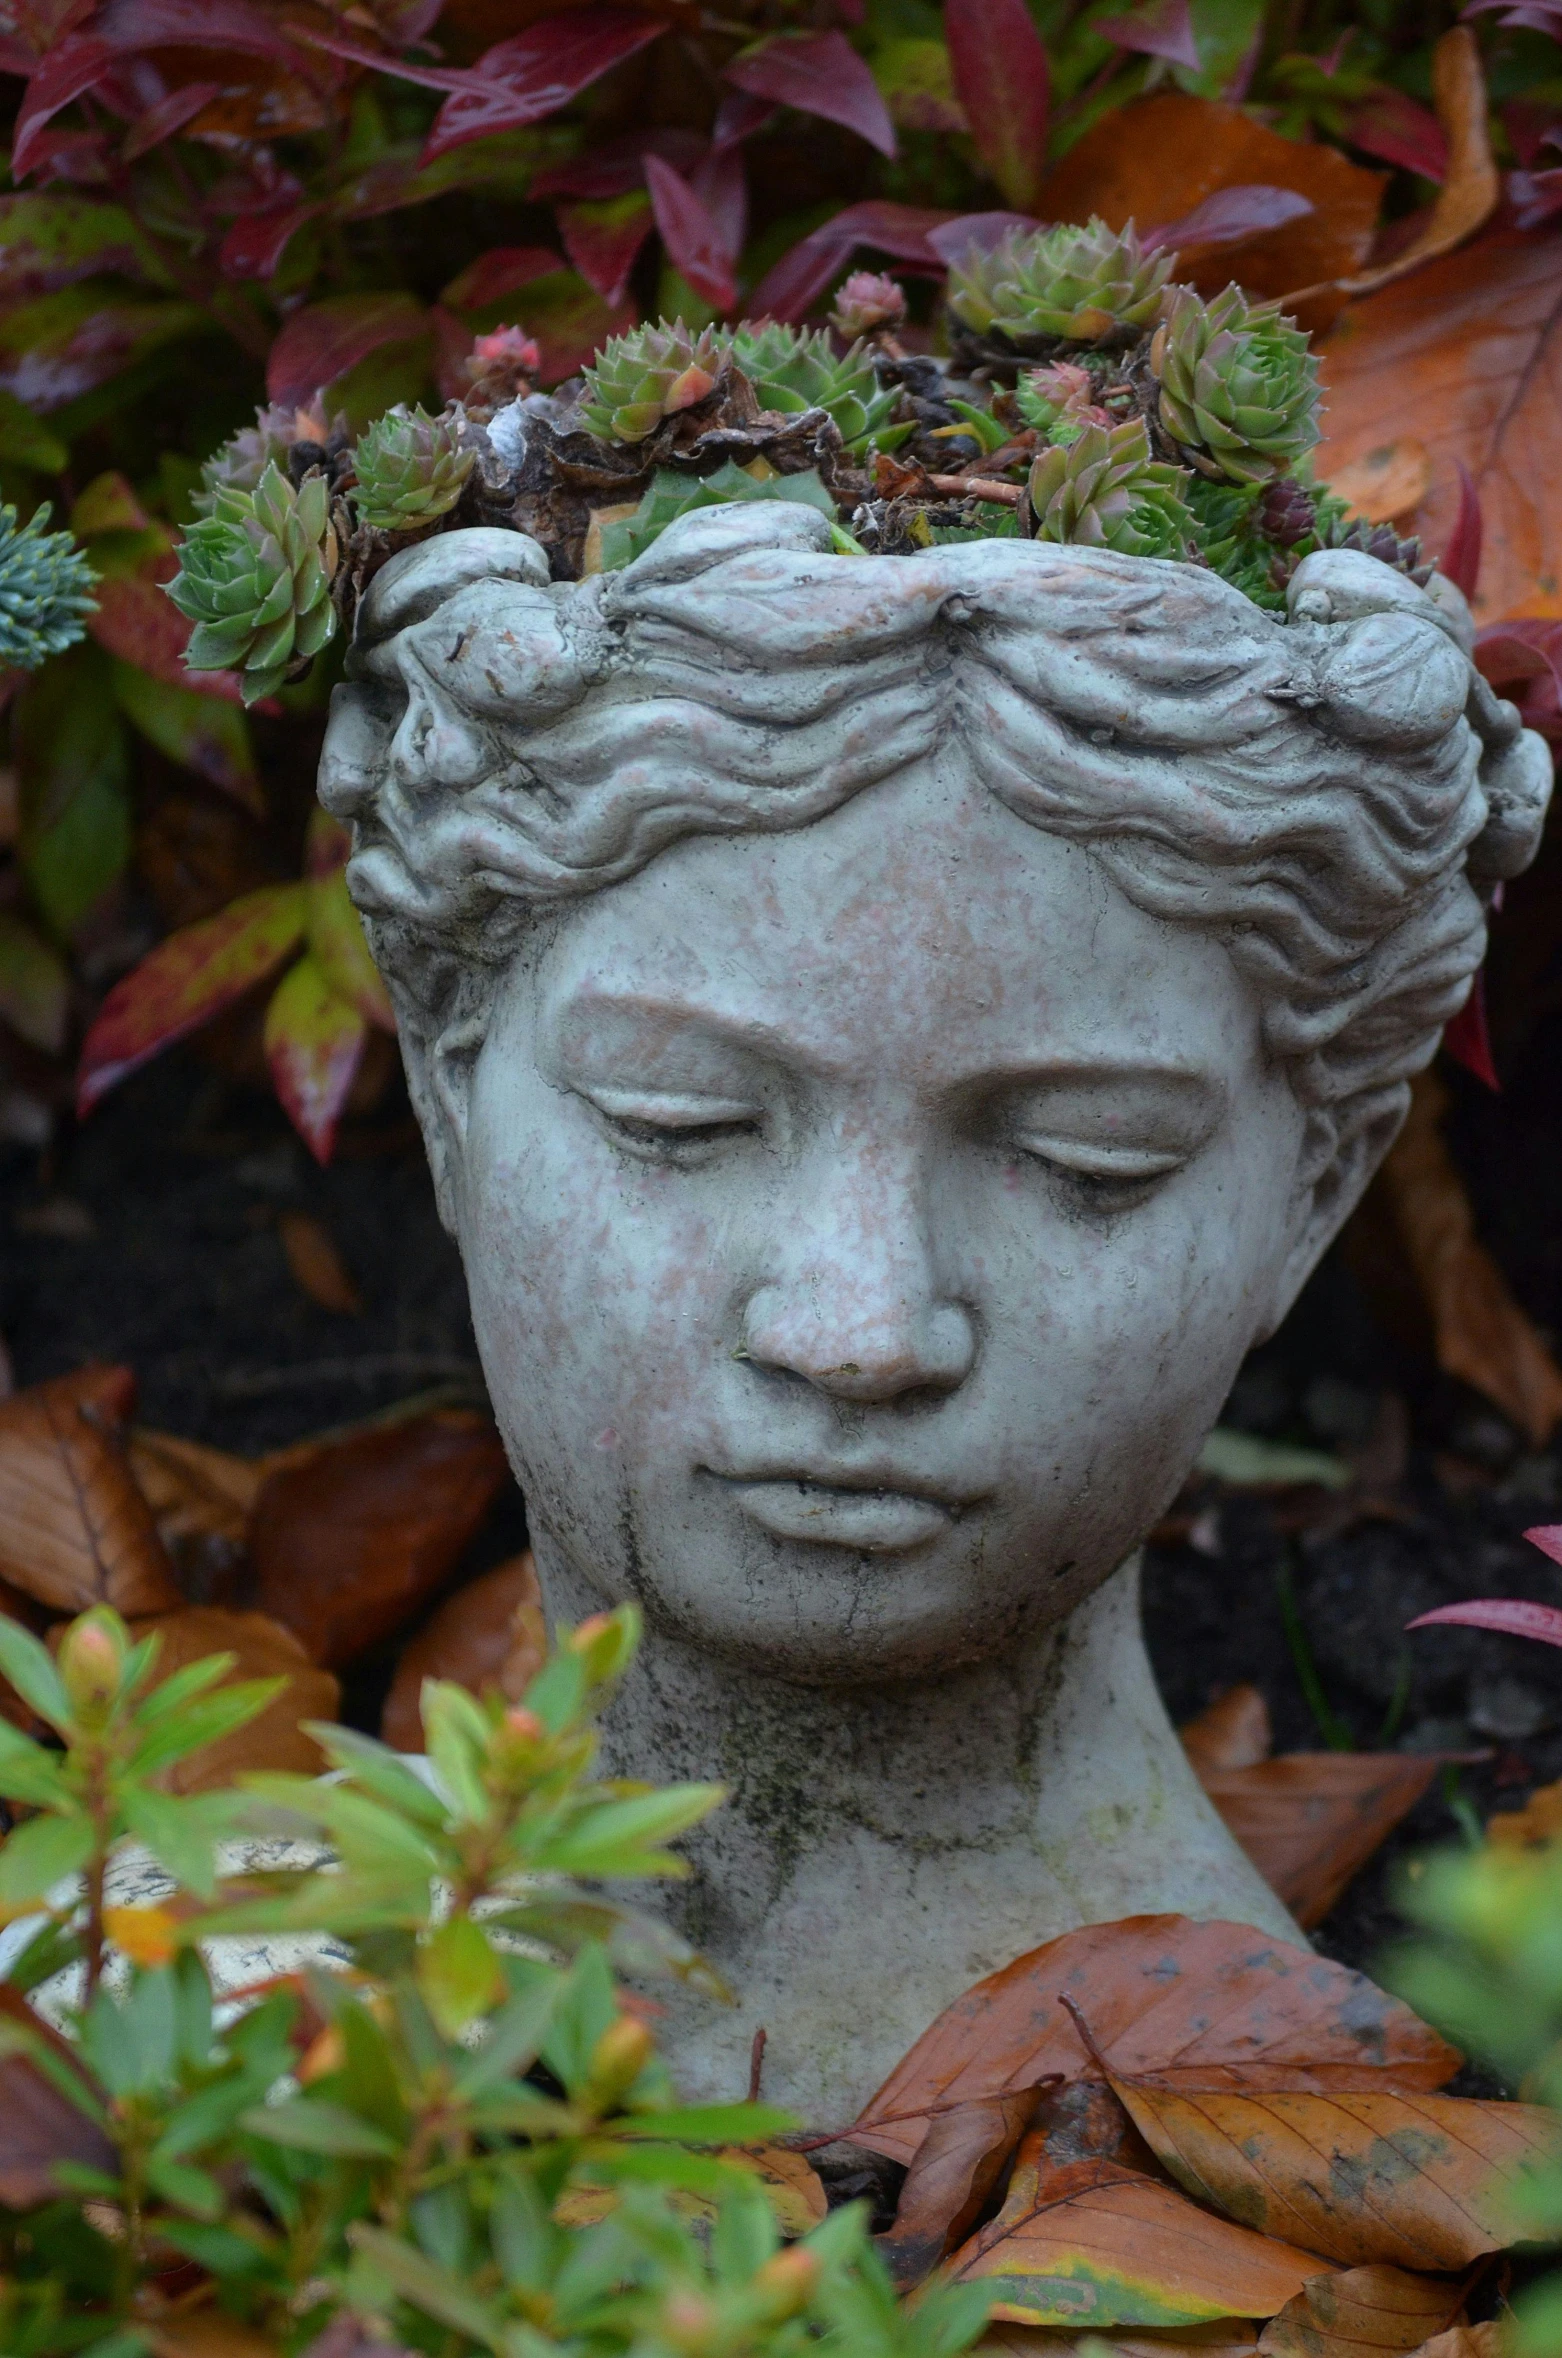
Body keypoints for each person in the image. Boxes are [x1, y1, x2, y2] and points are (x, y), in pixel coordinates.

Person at [318, 503, 1551, 2117]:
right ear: (447, 1089)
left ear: (1315, 1189)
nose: (859, 1328)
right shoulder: (153, 2013)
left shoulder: (1330, 2159)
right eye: (678, 1117)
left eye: (1081, 1160)